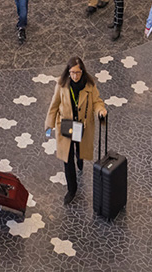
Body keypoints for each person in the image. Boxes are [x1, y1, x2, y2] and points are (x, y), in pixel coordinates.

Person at [45, 57, 106, 204]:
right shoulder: (61, 85)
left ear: (82, 71)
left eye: (78, 72)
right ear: (68, 72)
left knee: (79, 151)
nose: (75, 76)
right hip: (65, 126)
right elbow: (54, 105)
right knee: (67, 158)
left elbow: (97, 101)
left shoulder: (89, 85)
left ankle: (80, 158)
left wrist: (101, 111)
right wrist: (49, 125)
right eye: (72, 72)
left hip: (82, 126)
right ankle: (71, 189)